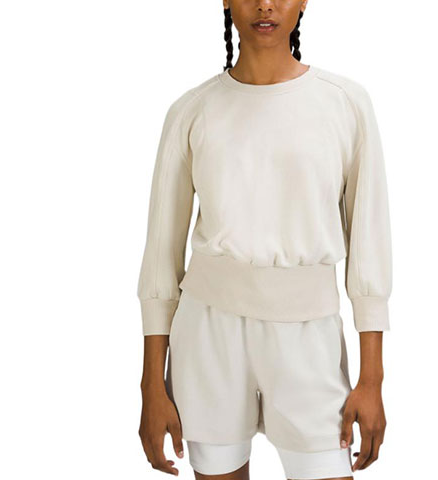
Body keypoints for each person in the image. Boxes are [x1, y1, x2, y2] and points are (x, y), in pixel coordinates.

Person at [138, 1, 392, 479]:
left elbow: (369, 243)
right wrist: (151, 385)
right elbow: (160, 258)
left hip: (309, 338)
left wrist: (372, 379)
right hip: (209, 336)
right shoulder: (192, 111)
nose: (265, 4)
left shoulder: (344, 103)